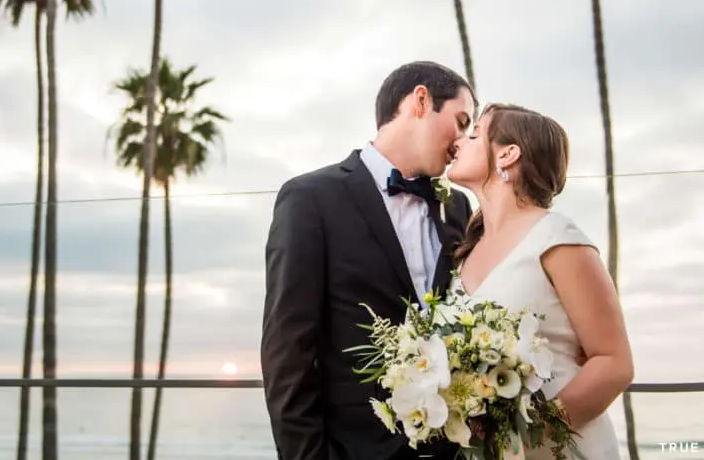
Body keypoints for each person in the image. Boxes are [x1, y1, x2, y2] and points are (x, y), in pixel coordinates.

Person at [260, 61, 477, 460]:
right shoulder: (311, 199)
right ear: (421, 100)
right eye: (460, 122)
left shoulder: (458, 207)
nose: (463, 141)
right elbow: (286, 353)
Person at [445, 103, 634, 459]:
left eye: (474, 134)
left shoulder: (556, 236)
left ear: (508, 153)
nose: (459, 142)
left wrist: (532, 434)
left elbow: (614, 363)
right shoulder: (466, 254)